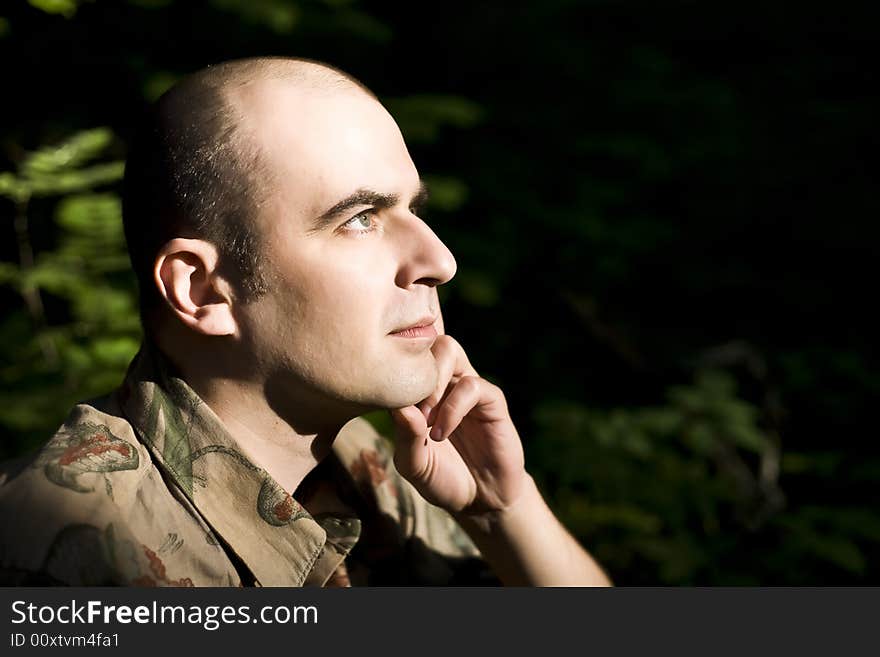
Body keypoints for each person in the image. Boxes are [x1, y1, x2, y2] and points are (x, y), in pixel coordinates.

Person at [0, 57, 610, 587]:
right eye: (360, 219)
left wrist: (501, 512)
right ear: (202, 289)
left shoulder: (369, 459)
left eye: (412, 209)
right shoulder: (57, 546)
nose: (440, 261)